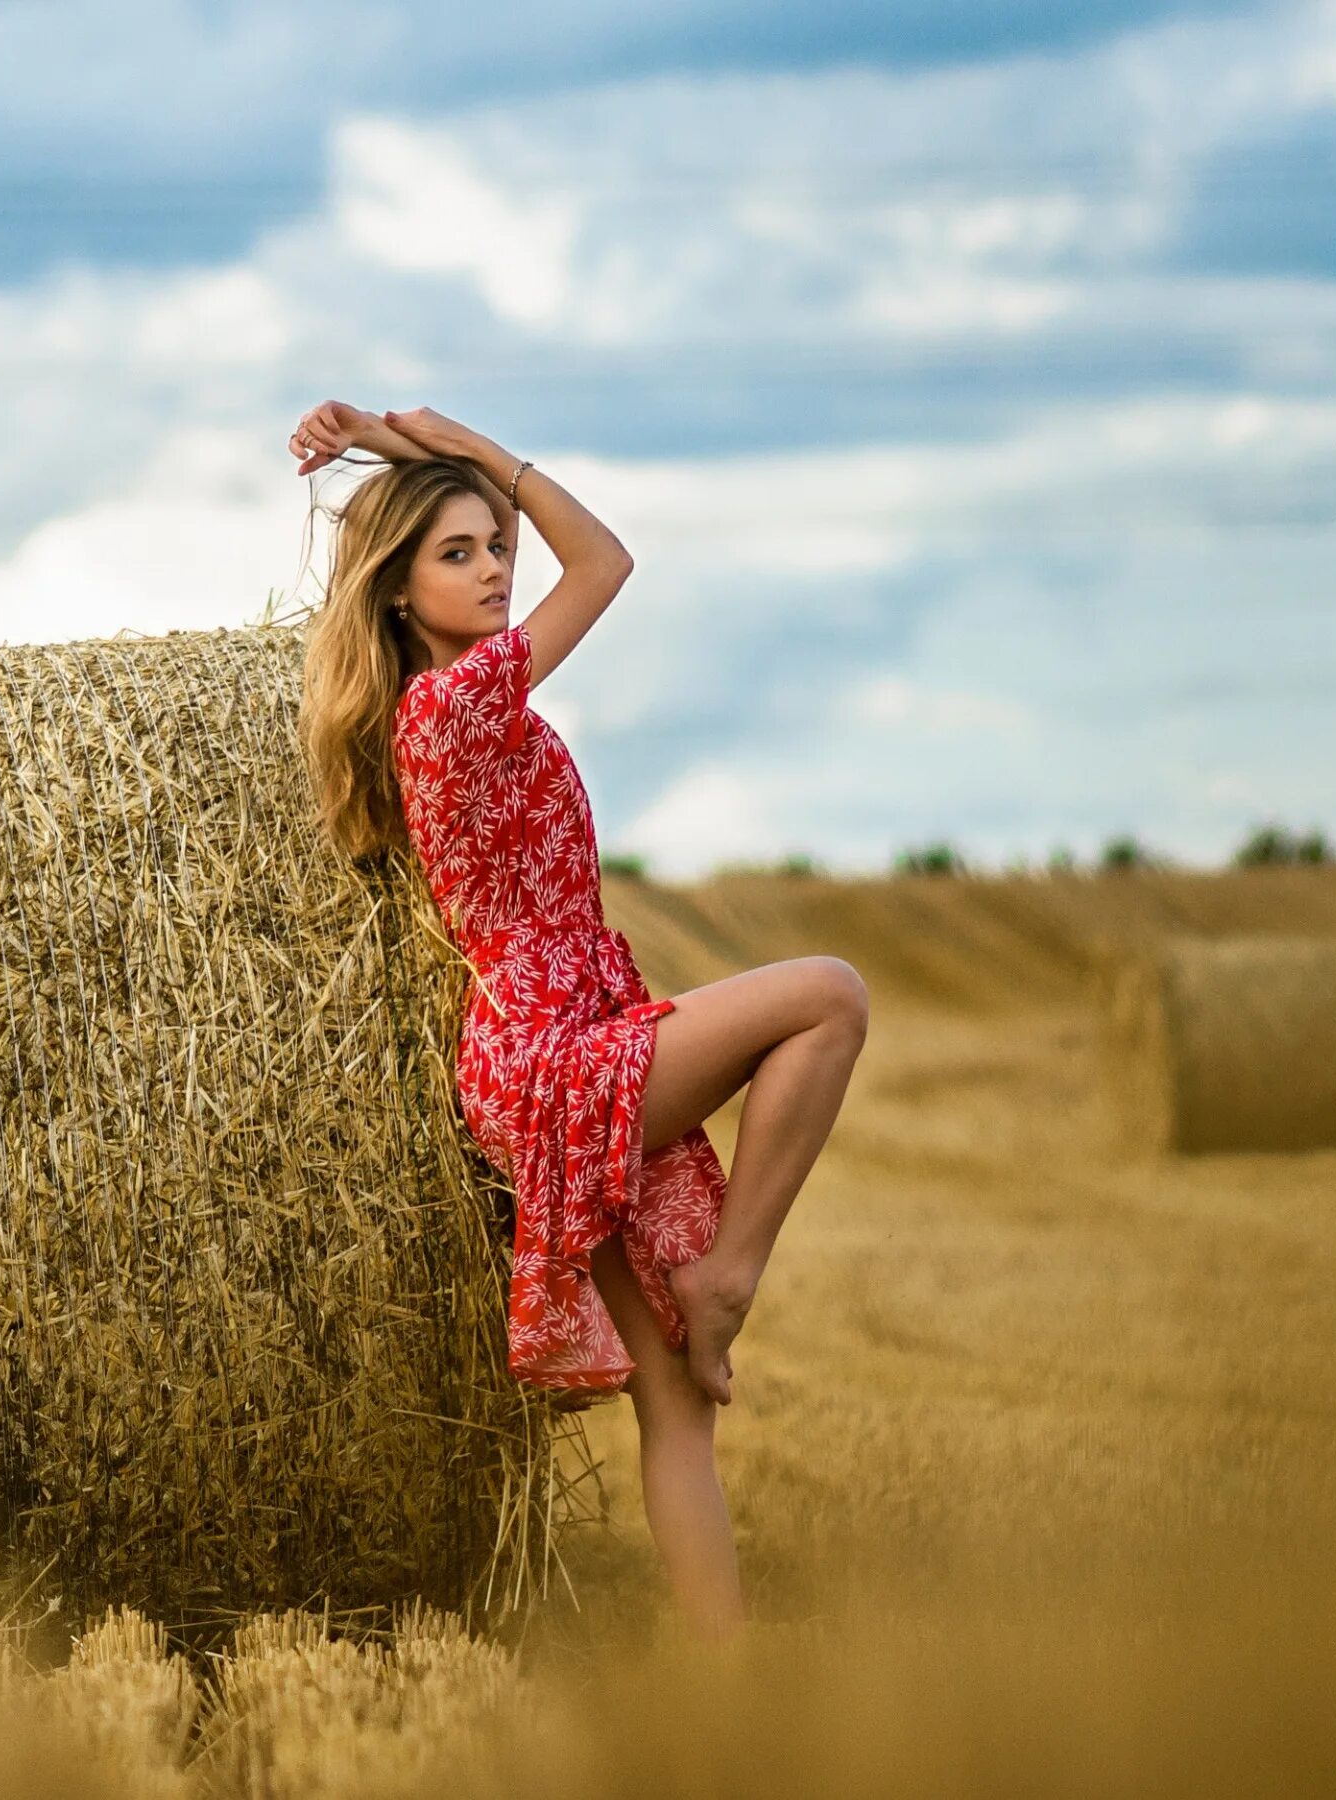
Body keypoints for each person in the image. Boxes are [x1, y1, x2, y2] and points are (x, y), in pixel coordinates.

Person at [289, 401, 870, 1638]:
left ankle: (726, 1680)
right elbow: (606, 561)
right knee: (828, 996)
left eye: (498, 543)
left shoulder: (468, 709)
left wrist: (426, 467)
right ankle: (732, 1275)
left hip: (561, 1034)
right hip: (550, 1056)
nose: (499, 567)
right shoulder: (452, 712)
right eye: (460, 552)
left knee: (676, 1410)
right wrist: (476, 448)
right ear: (396, 592)